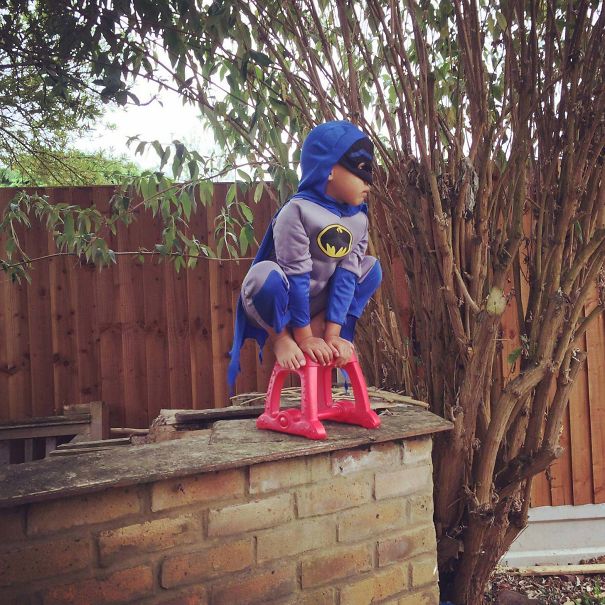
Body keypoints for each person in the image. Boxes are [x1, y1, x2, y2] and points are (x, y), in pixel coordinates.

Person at [227, 120, 382, 391]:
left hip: (319, 301)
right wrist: (304, 337)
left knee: (372, 268)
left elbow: (346, 277)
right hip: (282, 299)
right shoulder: (296, 211)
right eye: (360, 170)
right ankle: (281, 337)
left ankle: (320, 325)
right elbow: (296, 275)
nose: (368, 182)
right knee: (263, 276)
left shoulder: (359, 220)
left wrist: (332, 332)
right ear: (330, 169)